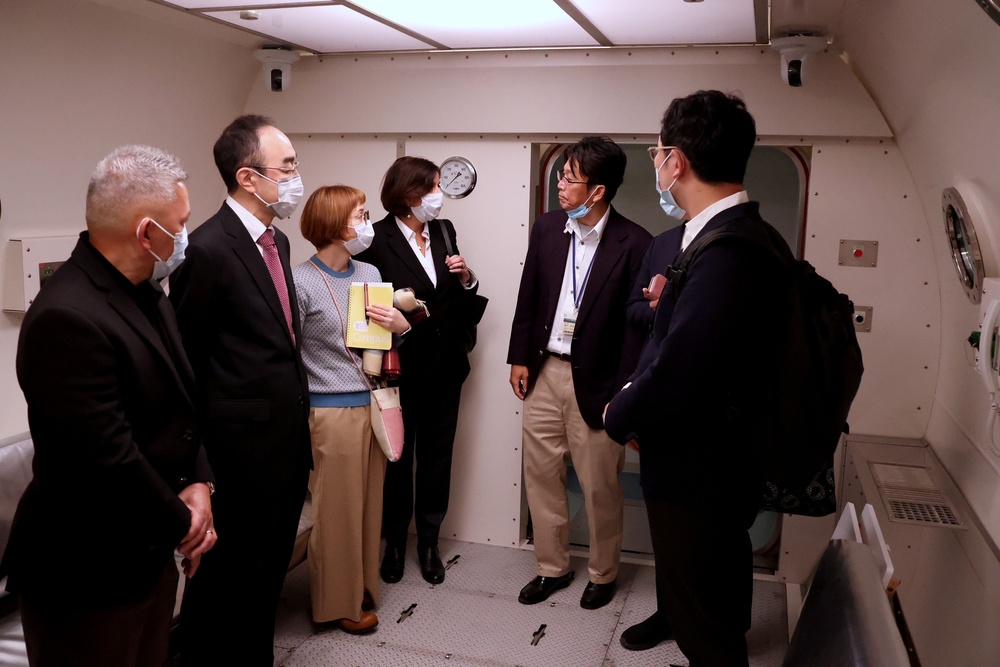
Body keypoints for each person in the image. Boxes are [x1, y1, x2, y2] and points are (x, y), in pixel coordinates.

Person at [0, 145, 216, 667]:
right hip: (84, 570)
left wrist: (199, 483)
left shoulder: (148, 292)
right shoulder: (66, 318)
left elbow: (183, 406)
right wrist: (186, 524)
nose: (186, 235)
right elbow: (107, 457)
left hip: (147, 548)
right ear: (147, 232)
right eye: (180, 224)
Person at [604, 90, 790, 666]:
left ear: (675, 162)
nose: (657, 164)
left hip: (701, 465)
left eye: (659, 153)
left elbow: (682, 365)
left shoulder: (728, 248)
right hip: (717, 457)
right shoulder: (741, 235)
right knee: (717, 578)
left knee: (704, 623)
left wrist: (621, 413)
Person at [169, 114, 312, 666]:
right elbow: (184, 367)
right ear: (249, 178)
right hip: (235, 458)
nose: (297, 177)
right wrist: (196, 470)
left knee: (264, 582)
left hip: (282, 450)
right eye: (289, 167)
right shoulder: (207, 249)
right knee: (223, 591)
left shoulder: (272, 240)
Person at [507, 136, 652, 610]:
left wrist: (625, 392)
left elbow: (636, 331)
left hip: (600, 381)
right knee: (541, 476)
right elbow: (529, 294)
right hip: (545, 370)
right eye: (561, 175)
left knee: (599, 484)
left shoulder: (636, 243)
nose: (561, 186)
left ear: (598, 191)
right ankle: (552, 568)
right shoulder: (549, 228)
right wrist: (520, 357)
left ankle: (603, 572)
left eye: (570, 179)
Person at [292, 185, 411, 634]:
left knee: (367, 506)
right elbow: (288, 354)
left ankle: (361, 587)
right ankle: (334, 604)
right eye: (360, 215)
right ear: (337, 226)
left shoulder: (370, 271)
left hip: (373, 405)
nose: (367, 222)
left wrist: (402, 328)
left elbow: (379, 345)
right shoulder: (300, 282)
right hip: (329, 412)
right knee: (336, 512)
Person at [357, 156, 481, 585]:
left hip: (446, 366)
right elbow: (367, 306)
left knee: (437, 458)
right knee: (397, 458)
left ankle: (428, 544)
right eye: (432, 188)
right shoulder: (376, 240)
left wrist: (467, 277)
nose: (438, 195)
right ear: (410, 195)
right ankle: (394, 543)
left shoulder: (444, 231)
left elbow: (455, 294)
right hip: (400, 368)